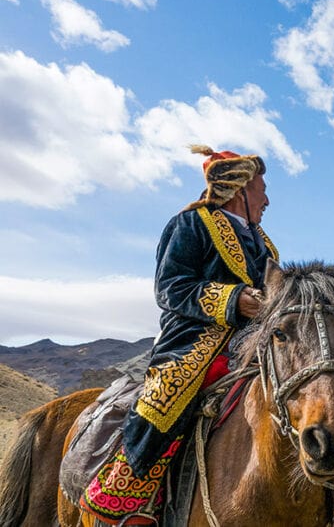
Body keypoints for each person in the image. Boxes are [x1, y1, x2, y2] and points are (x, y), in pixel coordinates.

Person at [81, 146, 278, 524]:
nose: (267, 199)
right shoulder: (190, 225)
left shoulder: (264, 243)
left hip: (253, 341)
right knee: (165, 402)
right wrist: (233, 299)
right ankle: (130, 498)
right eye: (262, 189)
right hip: (195, 344)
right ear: (240, 190)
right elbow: (170, 287)